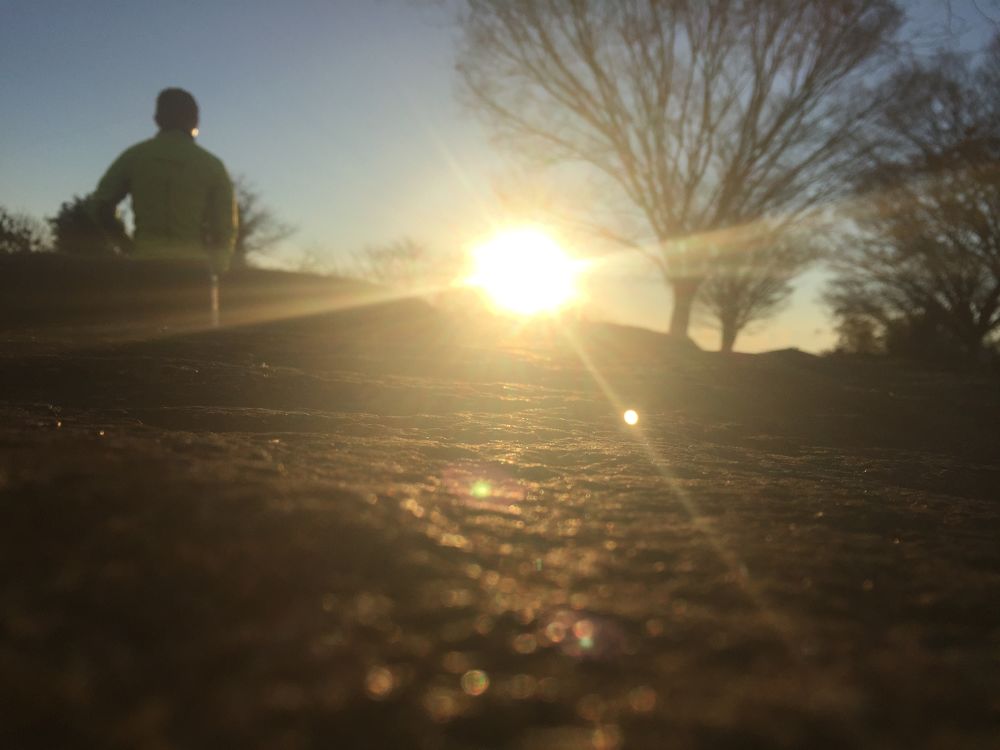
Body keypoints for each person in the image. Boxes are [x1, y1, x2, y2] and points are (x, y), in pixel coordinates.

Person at [91, 88, 238, 274]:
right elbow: (225, 225)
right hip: (193, 270)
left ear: (157, 119)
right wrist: (218, 264)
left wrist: (126, 246)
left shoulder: (135, 156)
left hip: (143, 266)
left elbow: (100, 206)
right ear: (195, 120)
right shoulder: (212, 165)